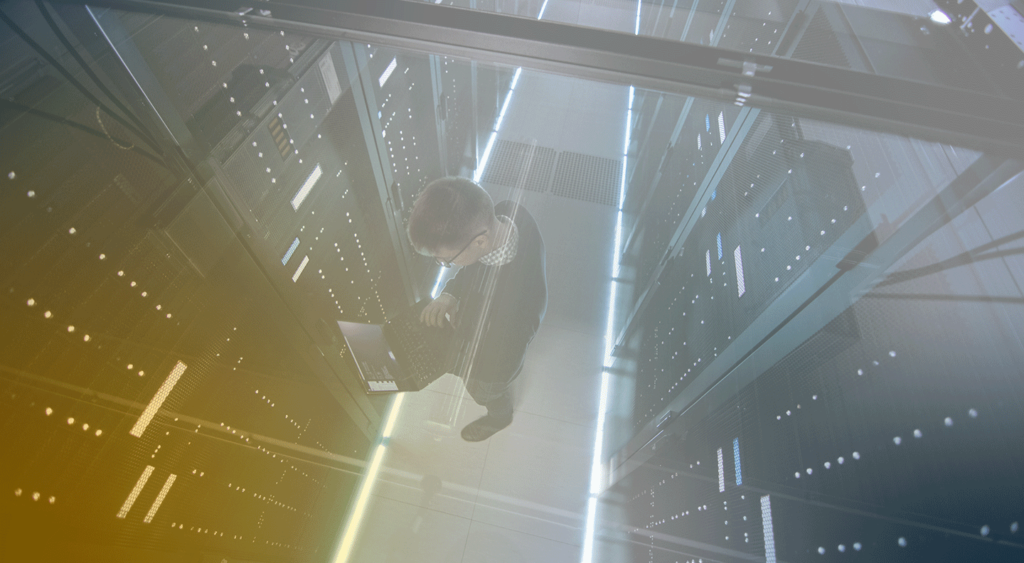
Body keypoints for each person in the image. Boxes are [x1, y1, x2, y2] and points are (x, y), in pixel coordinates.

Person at [406, 177, 547, 441]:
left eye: (445, 259)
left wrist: (442, 358)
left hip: (492, 368)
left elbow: (496, 362)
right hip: (488, 336)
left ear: (480, 242)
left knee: (486, 392)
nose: (441, 263)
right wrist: (450, 294)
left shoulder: (514, 310)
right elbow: (476, 267)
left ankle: (500, 417)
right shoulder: (508, 212)